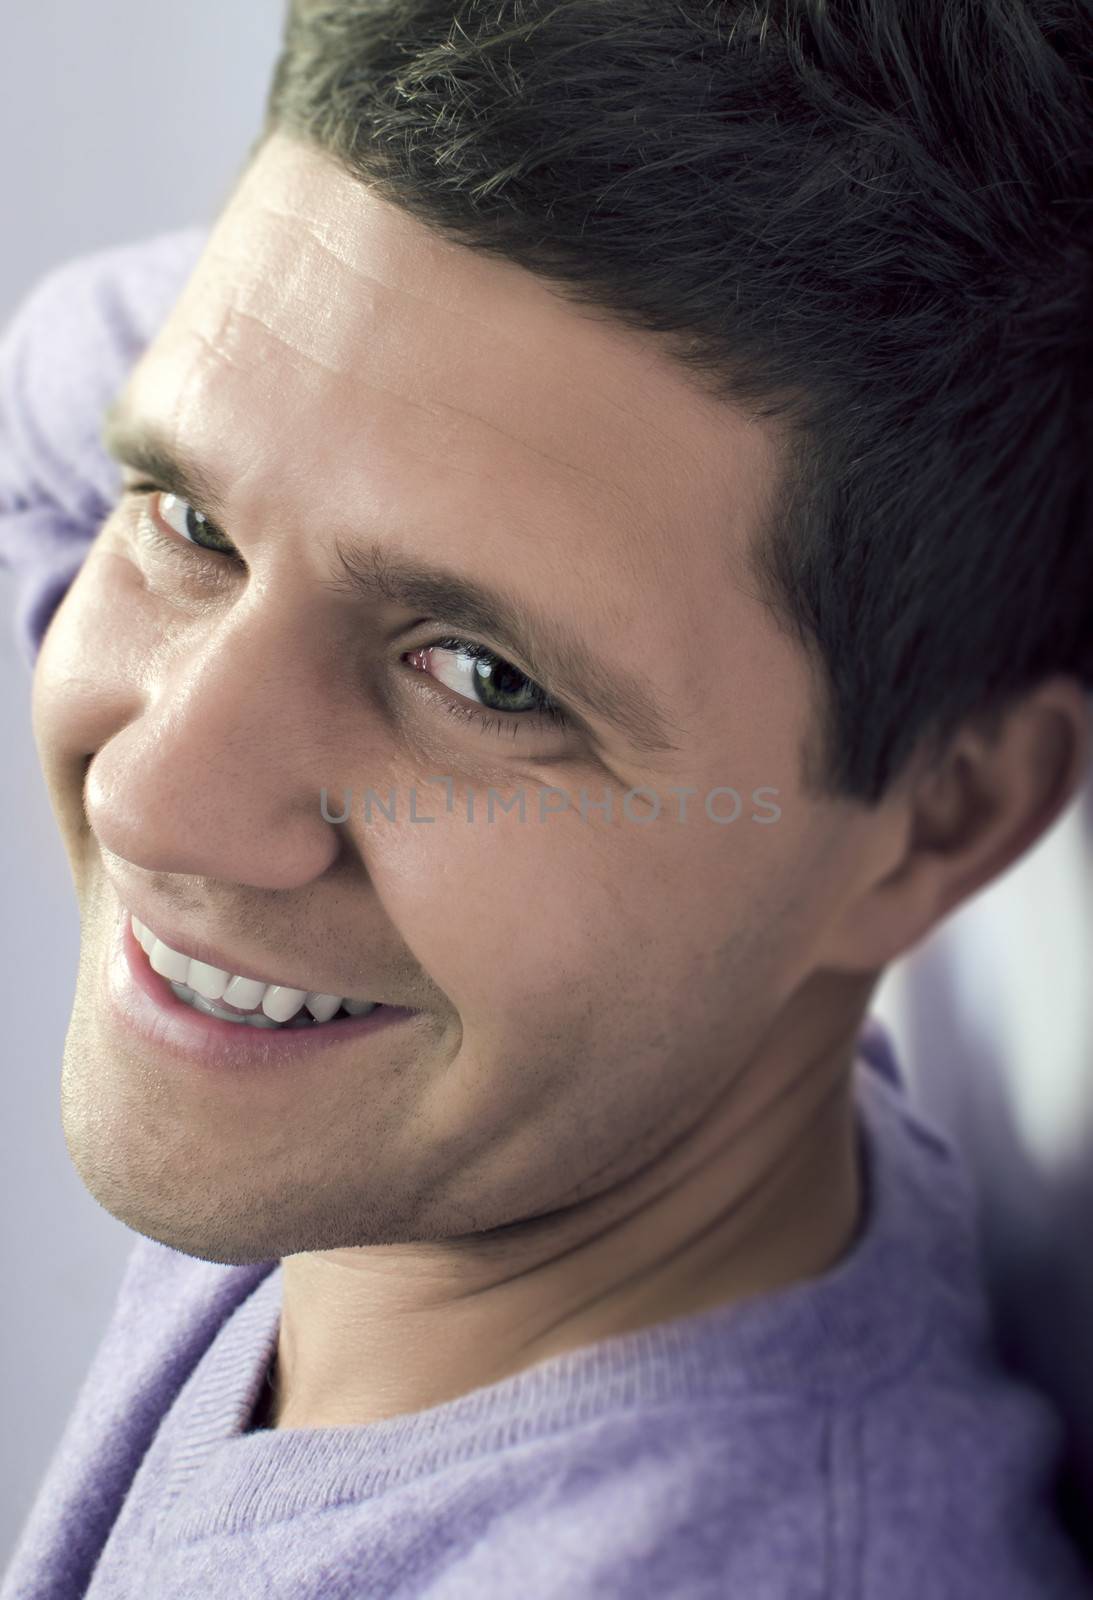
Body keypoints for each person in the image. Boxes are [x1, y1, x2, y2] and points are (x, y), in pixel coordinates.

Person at [1, 2, 1090, 1595]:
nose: (161, 802)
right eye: (189, 518)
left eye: (485, 676)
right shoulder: (526, 1069)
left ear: (938, 818)